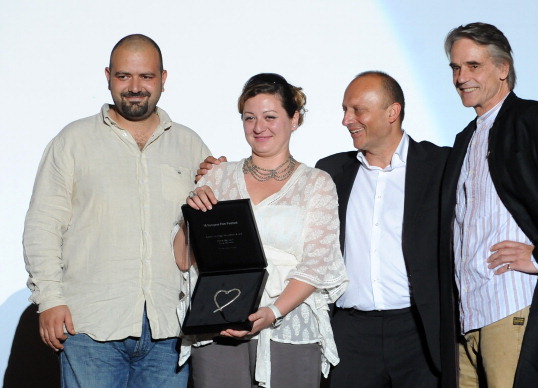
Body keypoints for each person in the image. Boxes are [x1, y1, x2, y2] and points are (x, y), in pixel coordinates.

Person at [22, 34, 211, 388]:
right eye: (124, 76)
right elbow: (43, 226)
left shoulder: (190, 144)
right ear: (107, 76)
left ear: (163, 79)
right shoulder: (72, 141)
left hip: (169, 330)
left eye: (146, 77)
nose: (135, 87)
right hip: (89, 326)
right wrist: (49, 299)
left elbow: (207, 232)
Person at [439, 22, 538, 388]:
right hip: (466, 318)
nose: (461, 77)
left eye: (473, 65)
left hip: (512, 306)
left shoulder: (534, 118)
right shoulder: (465, 139)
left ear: (503, 68)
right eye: (455, 68)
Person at [174, 73, 348, 388]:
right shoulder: (218, 177)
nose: (258, 127)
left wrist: (272, 312)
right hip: (219, 321)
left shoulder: (316, 183)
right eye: (249, 117)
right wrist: (191, 217)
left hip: (289, 324)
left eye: (270, 117)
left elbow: (318, 263)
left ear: (294, 119)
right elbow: (183, 261)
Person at [315, 71, 450, 388]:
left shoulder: (441, 165)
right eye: (345, 110)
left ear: (393, 112)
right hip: (350, 335)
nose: (347, 120)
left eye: (357, 109)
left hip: (418, 334)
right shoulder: (330, 171)